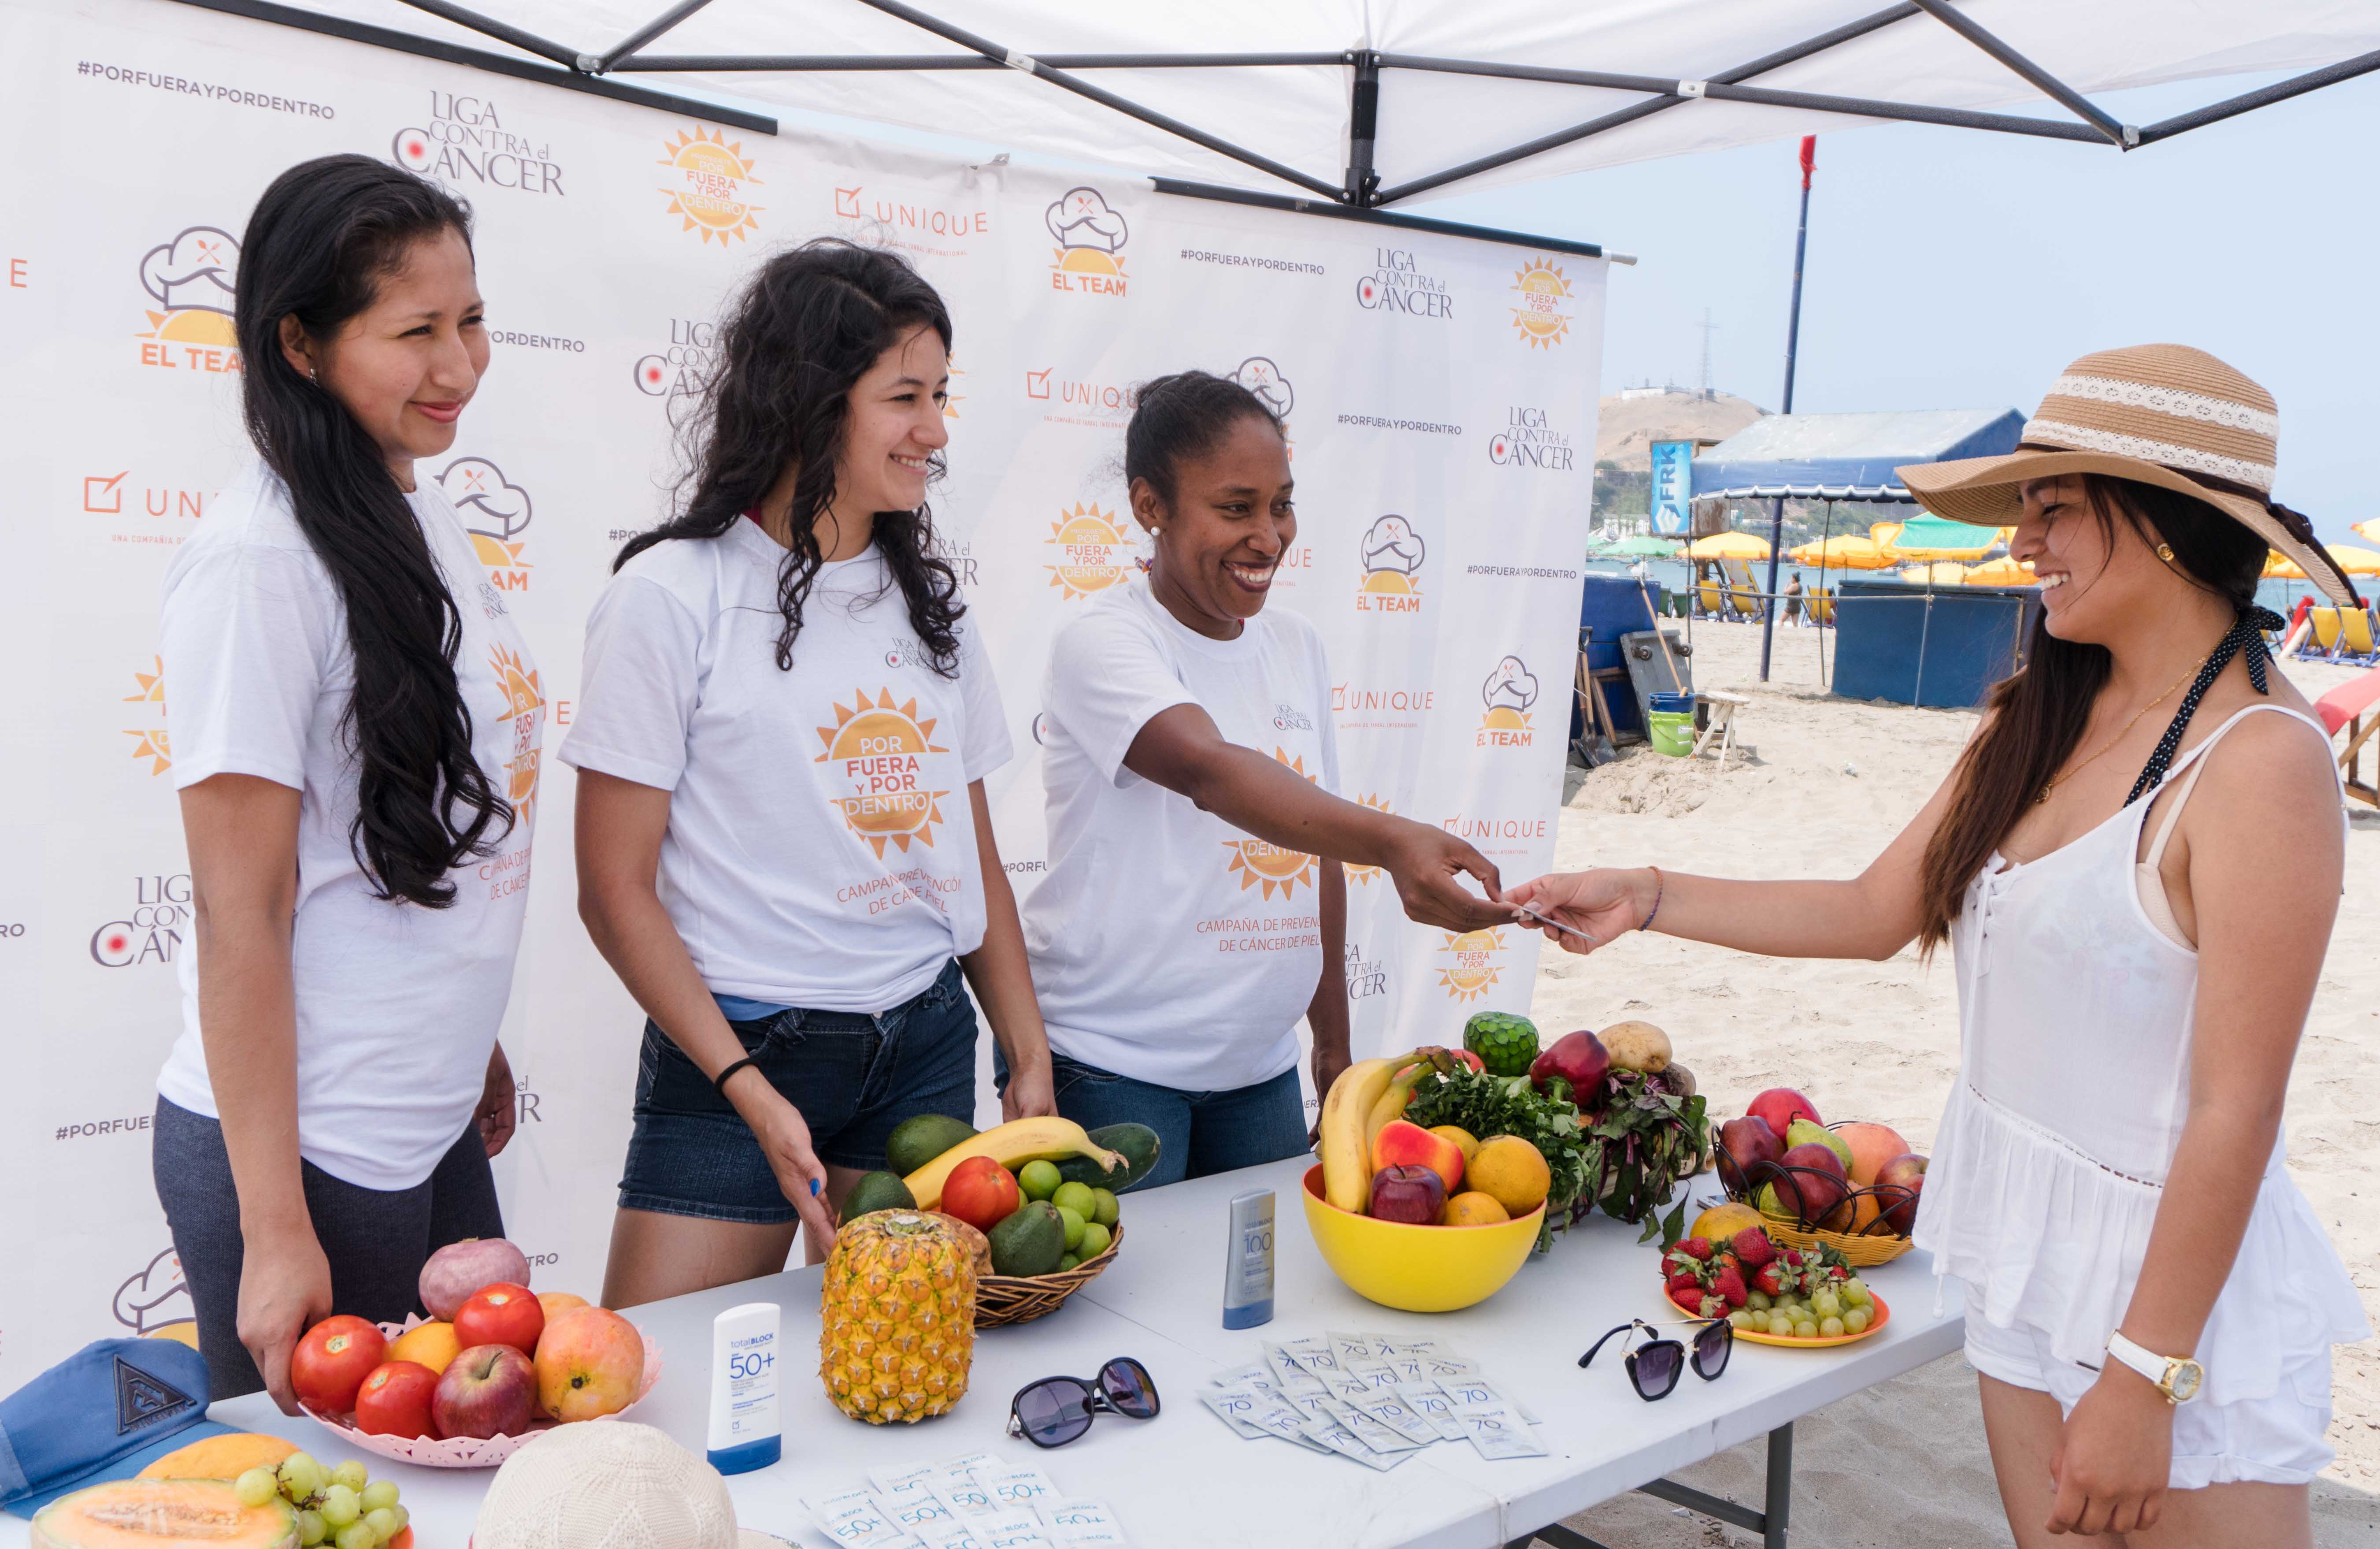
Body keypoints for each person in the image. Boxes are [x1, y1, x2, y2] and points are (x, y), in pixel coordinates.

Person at [1511, 345, 2368, 1549]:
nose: (2022, 544)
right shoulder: (2040, 714)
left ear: (2169, 525)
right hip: (2014, 1225)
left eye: (2053, 507)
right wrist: (1646, 892)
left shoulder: (2261, 762)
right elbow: (1873, 910)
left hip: (2172, 1287)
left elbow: (2236, 1108)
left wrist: (2142, 1373)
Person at [563, 241, 1053, 1307]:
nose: (936, 430)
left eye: (940, 395)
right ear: (810, 402)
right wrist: (744, 1087)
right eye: (905, 398)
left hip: (923, 1046)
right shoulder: (671, 595)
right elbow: (613, 891)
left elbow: (969, 857)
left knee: (899, 1382)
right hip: (740, 1049)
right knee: (657, 1405)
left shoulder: (932, 607)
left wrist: (1027, 1050)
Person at [153, 155, 536, 1408]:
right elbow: (238, 910)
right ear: (302, 346)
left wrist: (464, 1026)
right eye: (414, 332)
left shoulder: (406, 509)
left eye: (470, 318)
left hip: (420, 1115)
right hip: (313, 1161)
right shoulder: (259, 561)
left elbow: (410, 809)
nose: (460, 367)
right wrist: (274, 1231)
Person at [1018, 371, 1514, 1185]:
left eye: (1280, 504)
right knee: (1131, 1310)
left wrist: (1332, 1047)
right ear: (1150, 507)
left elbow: (1311, 846)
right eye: (1235, 507)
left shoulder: (1294, 646)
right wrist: (1394, 839)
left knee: (1259, 1307)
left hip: (1260, 1073)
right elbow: (1208, 771)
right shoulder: (1102, 642)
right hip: (1112, 1068)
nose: (1269, 535)